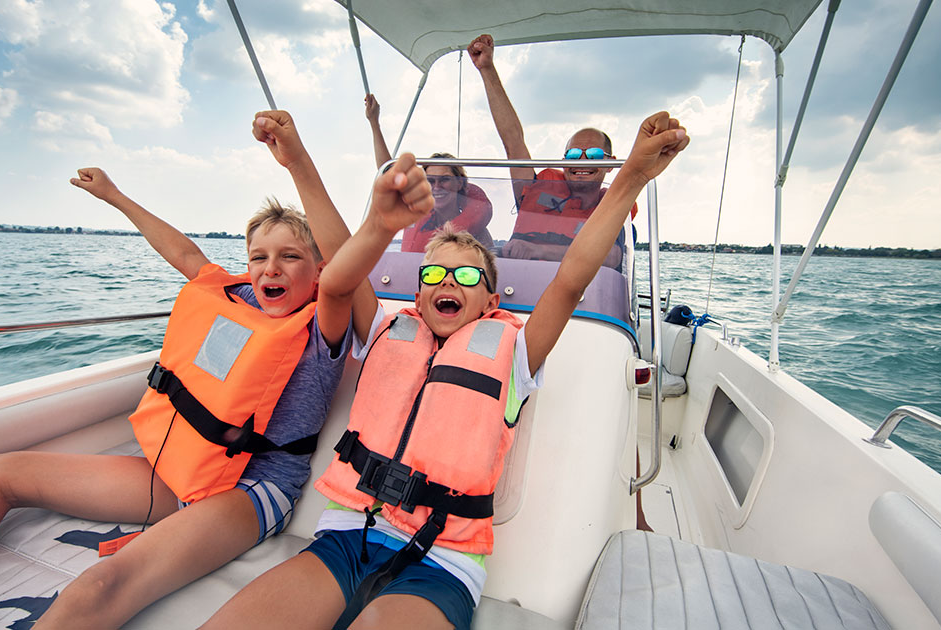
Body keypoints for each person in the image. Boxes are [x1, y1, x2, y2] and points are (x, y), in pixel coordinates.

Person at [202, 109, 688, 630]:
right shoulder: (385, 330)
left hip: (443, 561)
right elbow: (342, 256)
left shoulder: (517, 352)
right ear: (416, 292)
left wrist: (632, 175)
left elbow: (571, 279)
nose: (447, 283)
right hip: (345, 537)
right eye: (433, 272)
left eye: (466, 275)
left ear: (489, 300)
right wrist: (297, 161)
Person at [0, 170, 354, 628]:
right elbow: (185, 255)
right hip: (185, 470)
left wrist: (293, 161)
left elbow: (344, 271)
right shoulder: (239, 299)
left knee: (98, 586)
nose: (270, 268)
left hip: (252, 490)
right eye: (258, 257)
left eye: (290, 256)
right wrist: (113, 196)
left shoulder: (323, 328)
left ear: (319, 270)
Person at [468, 33, 636, 268]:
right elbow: (513, 140)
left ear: (610, 164)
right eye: (574, 155)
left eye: (595, 155)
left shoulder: (613, 208)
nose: (582, 162)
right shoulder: (534, 189)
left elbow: (612, 258)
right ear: (564, 161)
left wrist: (538, 250)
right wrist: (487, 69)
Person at [365, 93, 495, 251]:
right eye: (430, 181)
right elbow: (387, 173)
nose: (437, 186)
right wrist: (374, 123)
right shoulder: (416, 214)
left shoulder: (477, 232)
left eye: (445, 179)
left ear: (459, 183)